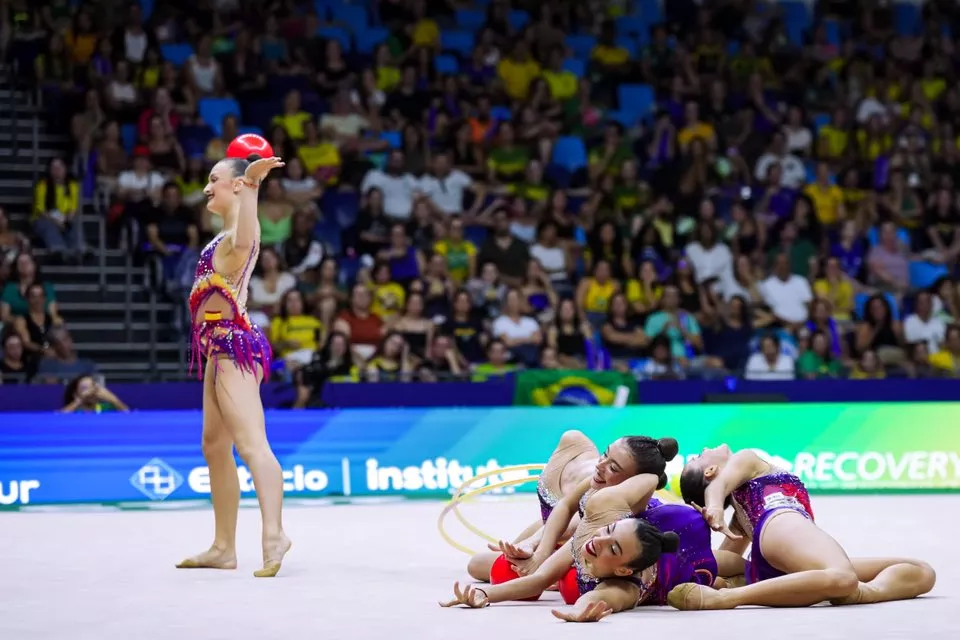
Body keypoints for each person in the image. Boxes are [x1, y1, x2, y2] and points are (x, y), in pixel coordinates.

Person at [177, 153, 292, 578]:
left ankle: (274, 534)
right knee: (213, 446)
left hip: (233, 351)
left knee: (251, 445)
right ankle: (224, 546)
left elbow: (246, 240)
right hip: (217, 352)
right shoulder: (221, 236)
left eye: (214, 180)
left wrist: (253, 187)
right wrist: (250, 189)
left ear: (234, 186)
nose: (207, 187)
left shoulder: (235, 239)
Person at [442, 472, 740, 622]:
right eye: (607, 533)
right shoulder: (593, 537)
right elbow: (537, 578)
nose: (599, 541)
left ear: (623, 568)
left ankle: (742, 538)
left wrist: (579, 613)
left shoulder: (625, 588)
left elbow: (594, 599)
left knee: (735, 567)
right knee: (478, 566)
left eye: (612, 548)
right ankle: (537, 541)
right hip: (662, 527)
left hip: (680, 558)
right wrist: (484, 593)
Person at [670, 445, 936, 609]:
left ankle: (863, 593)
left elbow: (730, 558)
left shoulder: (741, 508)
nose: (703, 449)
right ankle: (729, 600)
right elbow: (718, 487)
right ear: (710, 471)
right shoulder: (744, 458)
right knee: (843, 576)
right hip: (780, 521)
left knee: (921, 572)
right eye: (697, 457)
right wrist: (714, 507)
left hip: (779, 554)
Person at [465, 432, 677, 583]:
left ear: (632, 482)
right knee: (500, 558)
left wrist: (540, 558)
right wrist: (534, 547)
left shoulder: (614, 508)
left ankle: (553, 578)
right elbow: (566, 506)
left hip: (574, 541)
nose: (600, 465)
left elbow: (573, 528)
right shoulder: (579, 451)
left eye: (613, 467)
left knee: (479, 565)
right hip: (551, 525)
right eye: (605, 454)